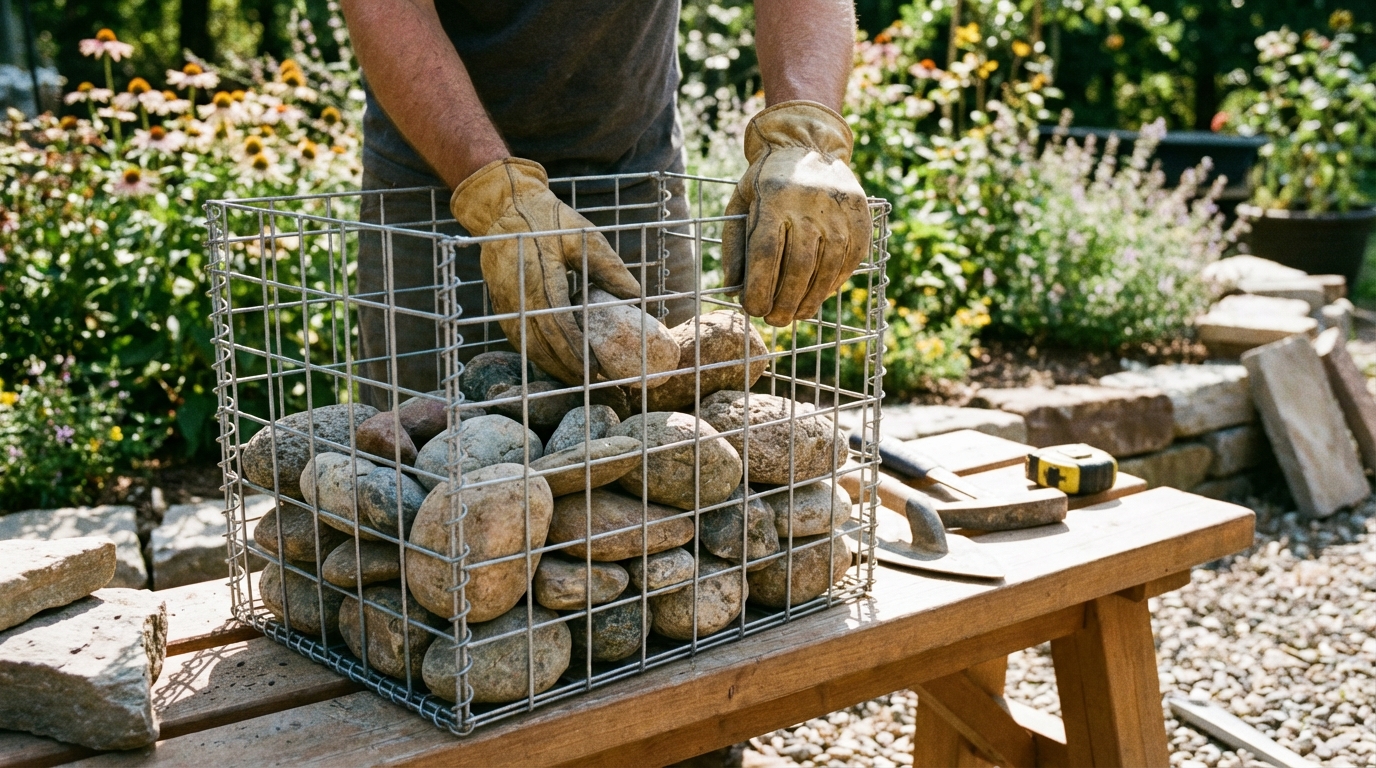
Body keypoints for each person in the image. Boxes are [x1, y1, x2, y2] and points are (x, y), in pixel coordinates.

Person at [342, 0, 872, 408]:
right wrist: (495, 197)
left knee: (665, 446)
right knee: (423, 475)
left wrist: (805, 133)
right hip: (440, 181)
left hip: (631, 175)